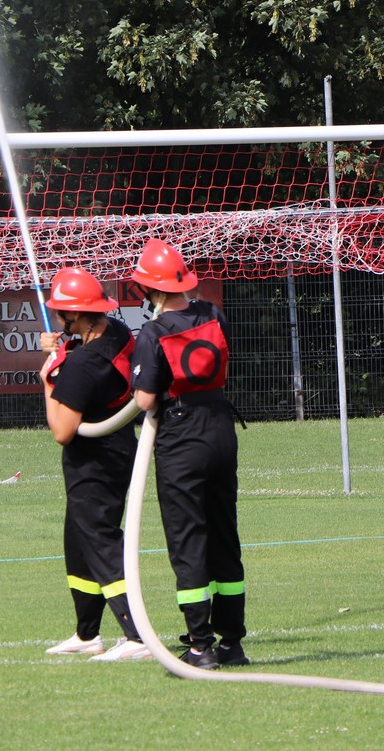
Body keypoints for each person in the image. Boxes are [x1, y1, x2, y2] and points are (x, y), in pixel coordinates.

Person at [127, 238, 249, 669]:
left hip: (181, 435)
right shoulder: (213, 314)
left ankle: (200, 645)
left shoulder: (154, 332)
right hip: (220, 427)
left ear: (149, 289)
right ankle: (232, 642)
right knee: (224, 535)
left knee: (188, 540)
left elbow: (144, 399)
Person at [38, 266, 151, 662]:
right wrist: (63, 352)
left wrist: (48, 377)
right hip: (116, 448)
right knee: (78, 541)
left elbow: (62, 430)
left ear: (75, 314)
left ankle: (137, 636)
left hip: (95, 462)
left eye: (61, 312)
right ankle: (87, 633)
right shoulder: (115, 332)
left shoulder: (82, 366)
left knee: (100, 542)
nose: (57, 318)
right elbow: (85, 355)